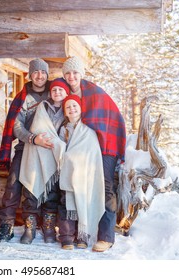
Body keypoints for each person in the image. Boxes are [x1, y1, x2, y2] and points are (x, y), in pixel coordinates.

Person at [61, 56, 127, 252]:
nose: (71, 76)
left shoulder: (95, 92)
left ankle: (106, 236)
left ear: (81, 74)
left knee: (104, 186)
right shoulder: (64, 95)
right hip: (81, 149)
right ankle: (81, 232)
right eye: (67, 73)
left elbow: (114, 119)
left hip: (103, 146)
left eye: (75, 72)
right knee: (76, 187)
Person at [0, 58, 54, 244]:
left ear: (47, 74)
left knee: (52, 186)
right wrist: (32, 138)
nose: (39, 76)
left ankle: (48, 224)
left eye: (43, 72)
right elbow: (16, 126)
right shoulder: (23, 97)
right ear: (30, 75)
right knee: (13, 183)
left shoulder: (54, 93)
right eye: (36, 72)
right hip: (26, 146)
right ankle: (7, 224)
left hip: (49, 148)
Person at [19, 78, 69, 243]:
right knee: (31, 192)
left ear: (66, 92)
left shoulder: (69, 109)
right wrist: (41, 139)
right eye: (54, 90)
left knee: (52, 193)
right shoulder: (43, 107)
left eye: (61, 90)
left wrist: (57, 144)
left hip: (55, 157)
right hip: (36, 151)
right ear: (50, 92)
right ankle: (30, 228)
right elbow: (36, 127)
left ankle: (48, 227)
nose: (57, 93)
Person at [57, 95, 105, 250]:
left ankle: (82, 236)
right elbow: (60, 149)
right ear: (65, 112)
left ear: (81, 108)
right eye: (68, 107)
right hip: (67, 172)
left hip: (84, 174)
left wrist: (75, 158)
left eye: (74, 106)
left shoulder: (88, 130)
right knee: (67, 205)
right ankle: (66, 237)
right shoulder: (63, 130)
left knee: (81, 204)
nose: (72, 109)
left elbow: (92, 153)